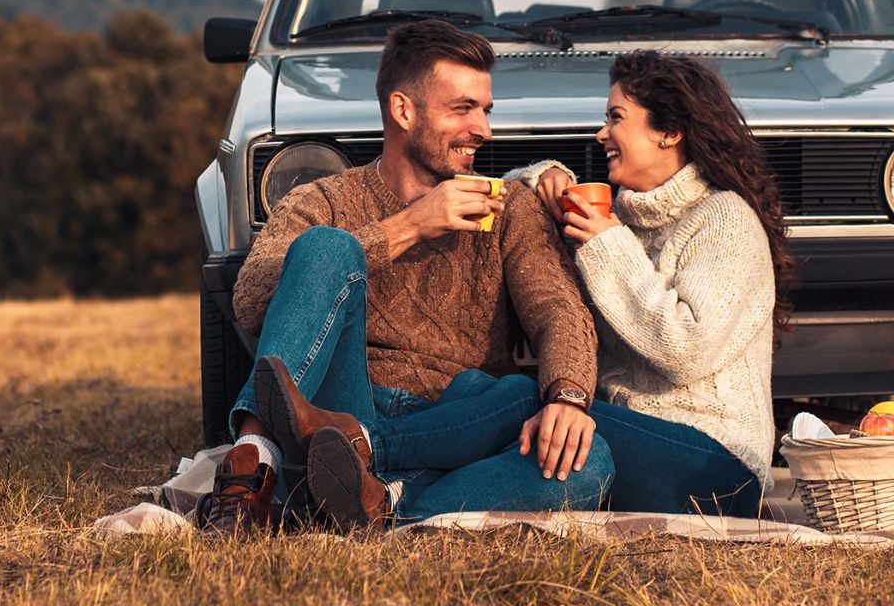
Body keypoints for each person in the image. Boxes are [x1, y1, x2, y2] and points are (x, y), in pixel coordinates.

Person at [309, 49, 790, 518]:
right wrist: (548, 176)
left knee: (522, 399)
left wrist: (607, 246)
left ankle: (368, 445)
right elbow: (515, 190)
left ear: (668, 132)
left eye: (616, 118)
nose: (602, 134)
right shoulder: (619, 215)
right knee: (480, 392)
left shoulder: (724, 219)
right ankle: (390, 502)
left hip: (715, 466)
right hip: (629, 438)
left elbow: (685, 350)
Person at [196, 20, 613, 535]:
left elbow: (558, 309)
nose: (483, 129)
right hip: (339, 406)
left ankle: (377, 497)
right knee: (328, 246)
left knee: (588, 463)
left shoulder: (509, 208)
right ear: (402, 110)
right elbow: (252, 301)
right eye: (462, 109)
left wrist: (568, 398)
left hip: (453, 427)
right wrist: (411, 226)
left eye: (485, 110)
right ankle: (258, 466)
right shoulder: (323, 200)